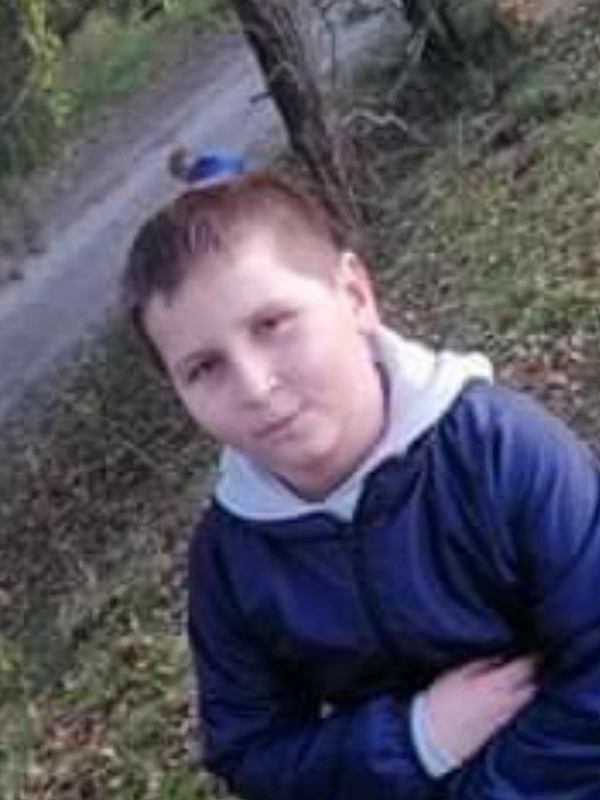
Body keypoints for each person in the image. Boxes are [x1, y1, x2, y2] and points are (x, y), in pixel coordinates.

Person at [121, 168, 600, 800]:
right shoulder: (230, 559)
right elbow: (252, 756)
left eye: (272, 324)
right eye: (205, 368)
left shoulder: (500, 452)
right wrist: (417, 739)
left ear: (354, 295)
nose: (256, 387)